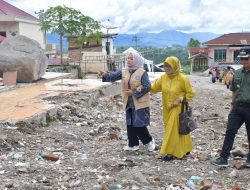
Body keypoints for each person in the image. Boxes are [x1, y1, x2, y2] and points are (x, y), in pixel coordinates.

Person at [99, 51, 155, 152]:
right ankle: (133, 144)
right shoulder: (124, 71)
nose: (128, 60)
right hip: (128, 102)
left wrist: (133, 92)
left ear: (136, 60)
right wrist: (105, 74)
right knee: (130, 124)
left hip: (139, 102)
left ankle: (149, 141)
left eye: (131, 58)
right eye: (128, 58)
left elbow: (147, 86)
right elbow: (112, 76)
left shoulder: (142, 72)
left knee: (139, 124)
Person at [150, 56, 196, 161]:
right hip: (167, 108)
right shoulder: (163, 78)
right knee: (178, 130)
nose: (167, 68)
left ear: (175, 66)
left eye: (169, 66)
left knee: (171, 131)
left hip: (178, 108)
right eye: (165, 66)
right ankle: (185, 148)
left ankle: (170, 153)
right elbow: (154, 88)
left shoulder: (183, 78)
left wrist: (180, 99)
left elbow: (191, 93)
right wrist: (142, 85)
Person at [211, 47, 250, 167]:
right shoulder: (237, 73)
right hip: (237, 108)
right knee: (230, 131)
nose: (243, 61)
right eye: (241, 59)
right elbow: (233, 90)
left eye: (246, 58)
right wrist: (232, 105)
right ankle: (223, 157)